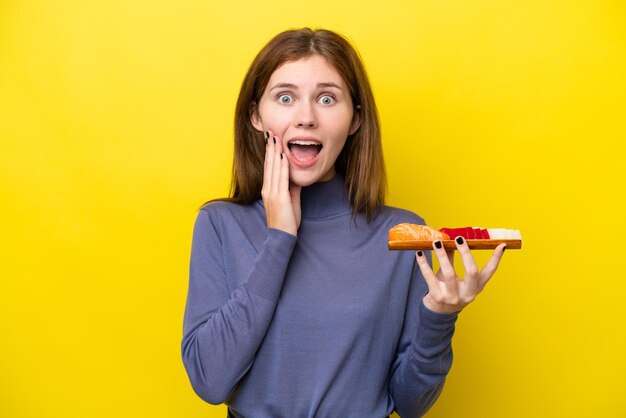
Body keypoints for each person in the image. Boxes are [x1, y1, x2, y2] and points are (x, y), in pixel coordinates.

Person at [181, 28, 506, 418]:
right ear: (255, 116)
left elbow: (411, 404)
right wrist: (280, 238)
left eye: (327, 99)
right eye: (285, 98)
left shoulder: (401, 236)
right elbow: (210, 382)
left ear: (354, 119)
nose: (306, 118)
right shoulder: (220, 224)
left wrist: (439, 317)